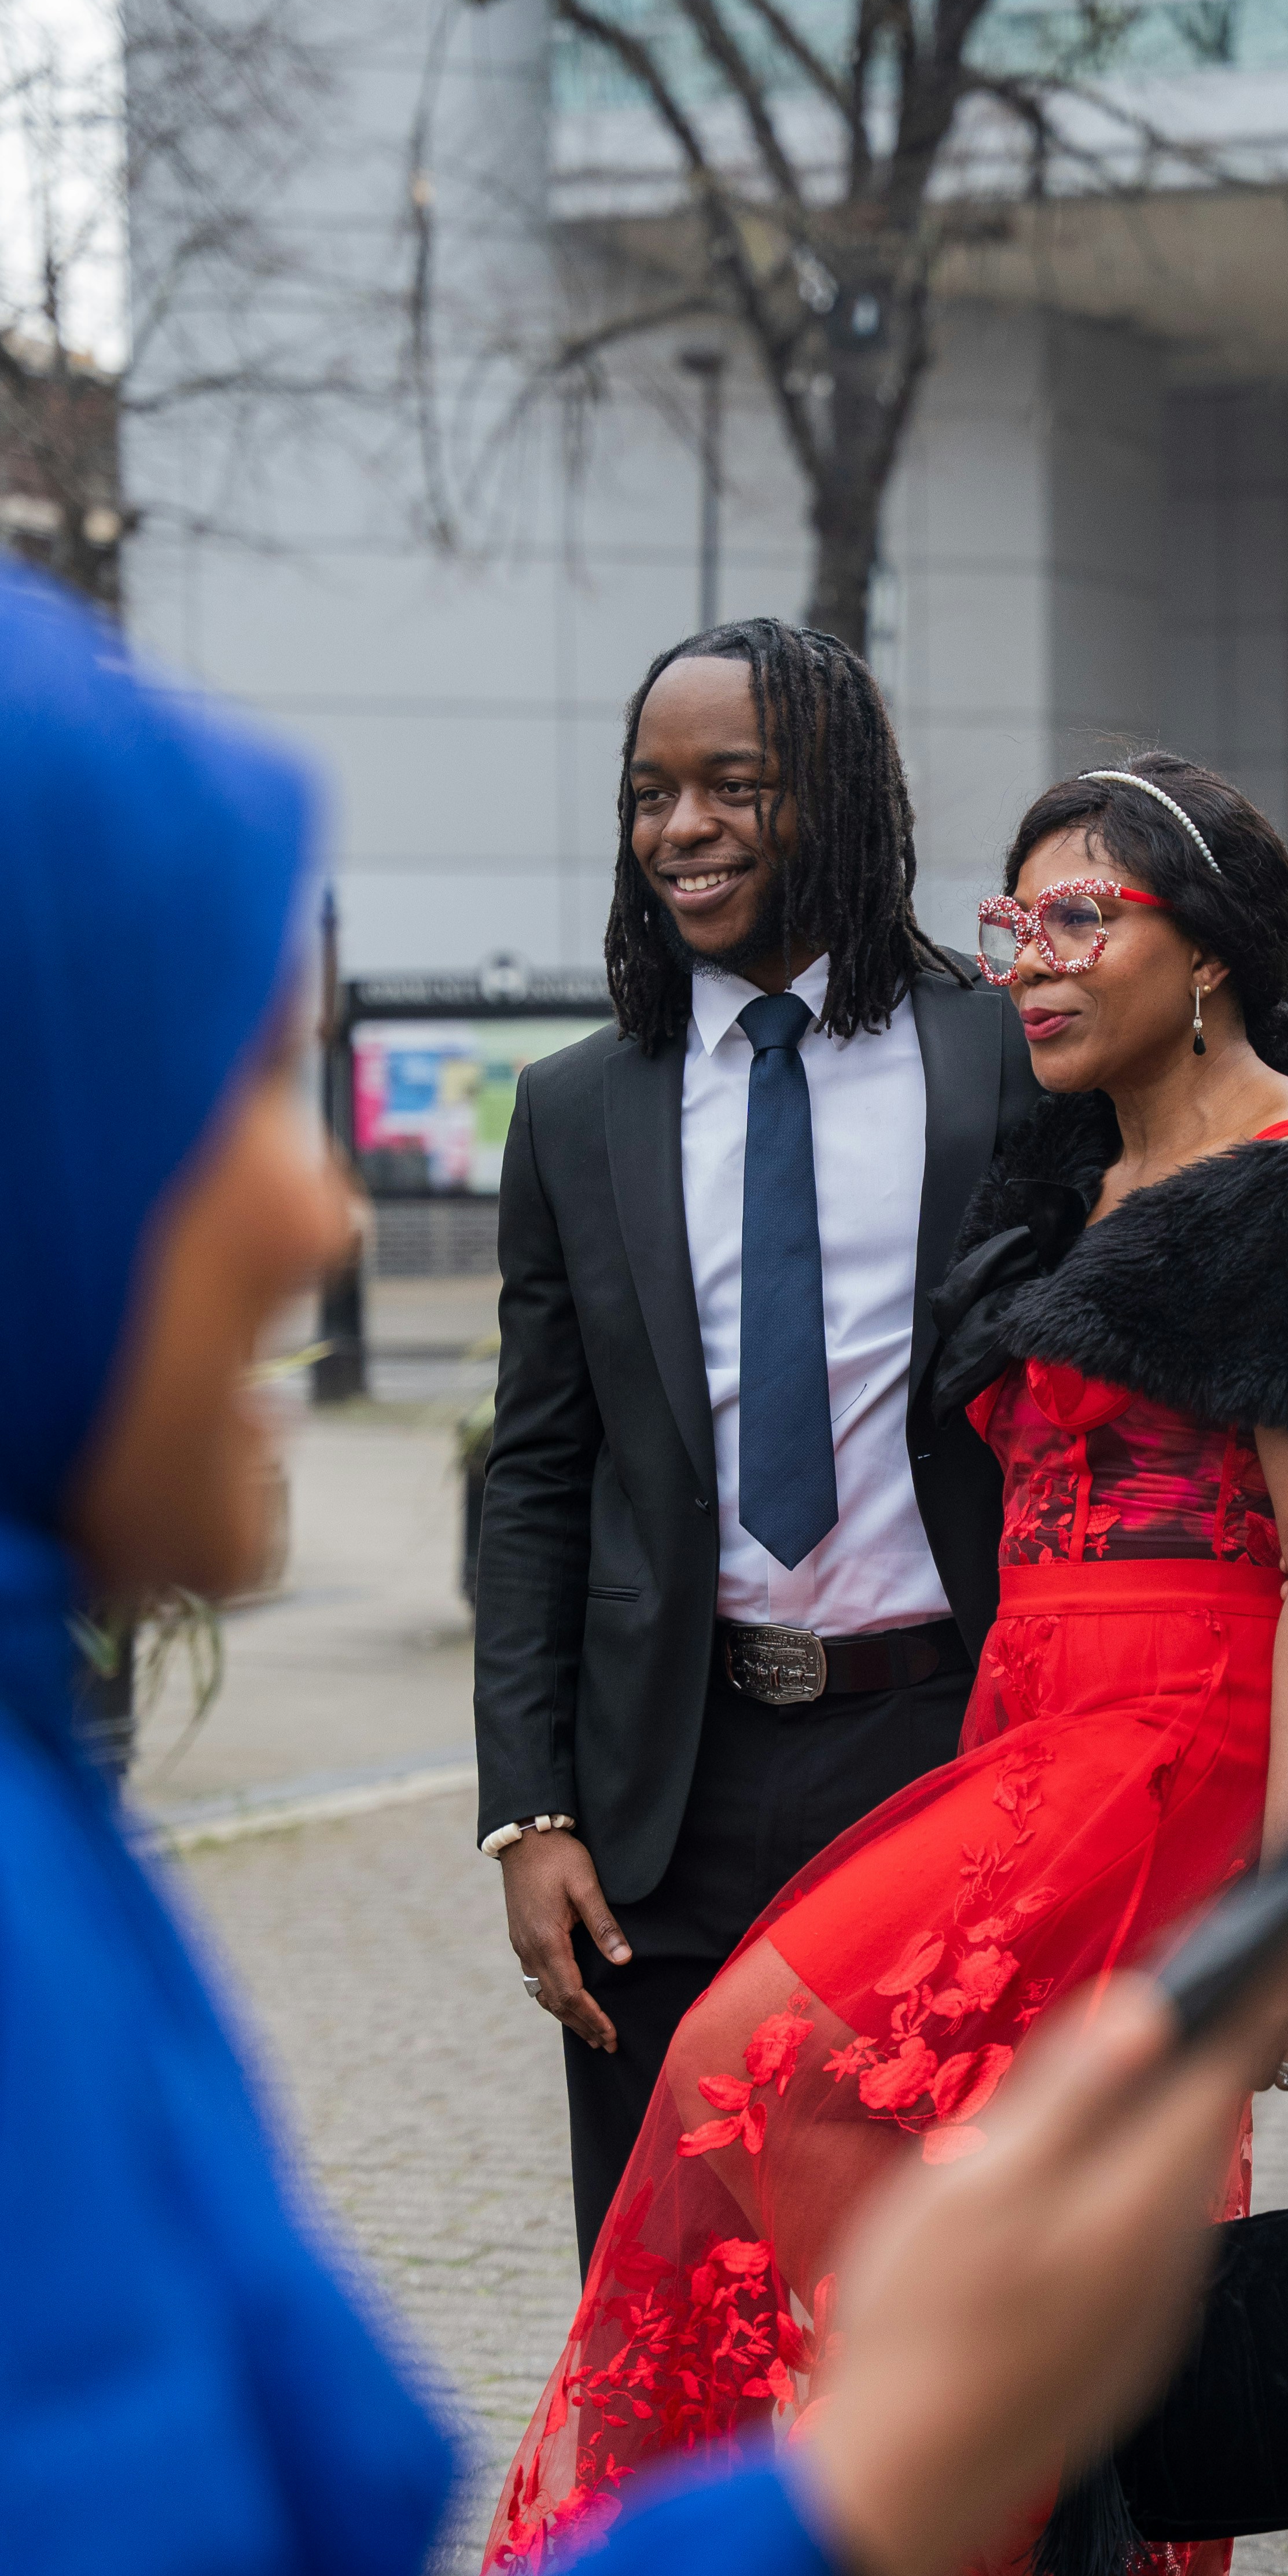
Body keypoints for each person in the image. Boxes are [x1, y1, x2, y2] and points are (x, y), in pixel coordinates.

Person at [0, 515, 1288, 2576]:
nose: (312, 1222)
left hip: (957, 1786)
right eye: (201, 1109)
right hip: (670, 1795)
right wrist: (829, 2530)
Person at [466, 751, 1288, 2576]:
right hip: (1027, 1738)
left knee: (750, 2092)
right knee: (981, 2276)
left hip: (1172, 1770)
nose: (1035, 962)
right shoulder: (1063, 1176)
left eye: (1082, 919)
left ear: (1208, 949)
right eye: (1016, 927)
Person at [475, 618, 1040, 2266]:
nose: (683, 828)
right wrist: (530, 1810)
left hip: (941, 1743)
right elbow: (538, 1475)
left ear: (844, 800)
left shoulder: (1006, 1059)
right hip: (670, 1786)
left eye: (736, 784)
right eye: (652, 792)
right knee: (676, 2270)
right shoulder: (580, 1106)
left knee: (927, 2266)